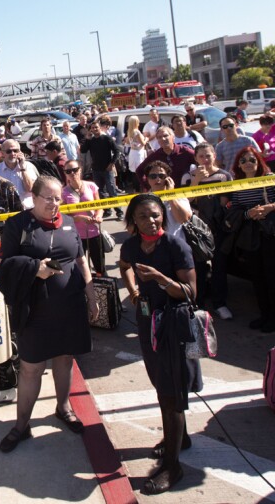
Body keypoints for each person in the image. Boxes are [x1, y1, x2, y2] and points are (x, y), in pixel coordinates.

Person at [0, 176, 98, 453]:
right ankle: (21, 425)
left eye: (58, 198)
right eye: (48, 198)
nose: (54, 203)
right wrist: (34, 268)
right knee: (31, 368)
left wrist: (91, 294)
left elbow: (79, 258)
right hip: (35, 310)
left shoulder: (66, 222)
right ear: (34, 197)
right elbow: (4, 266)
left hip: (70, 306)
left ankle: (63, 408)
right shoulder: (18, 224)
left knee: (65, 360)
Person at [119, 193, 200, 495]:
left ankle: (172, 466)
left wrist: (160, 279)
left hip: (173, 325)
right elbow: (124, 263)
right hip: (147, 322)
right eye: (143, 216)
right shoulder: (132, 245)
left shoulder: (174, 245)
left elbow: (190, 292)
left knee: (170, 391)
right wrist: (133, 291)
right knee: (160, 384)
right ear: (134, 221)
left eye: (155, 215)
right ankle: (182, 438)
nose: (151, 220)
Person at [182, 143, 233, 318]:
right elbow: (186, 201)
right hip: (196, 230)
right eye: (201, 156)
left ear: (214, 156)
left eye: (208, 155)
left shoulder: (224, 176)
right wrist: (196, 181)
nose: (205, 159)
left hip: (217, 228)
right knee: (198, 267)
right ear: (195, 159)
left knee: (219, 266)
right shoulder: (187, 177)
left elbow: (226, 202)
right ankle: (199, 303)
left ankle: (220, 303)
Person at [228, 147, 275, 332]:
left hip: (270, 235)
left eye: (252, 159)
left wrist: (269, 207)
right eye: (243, 160)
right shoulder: (238, 184)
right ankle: (264, 314)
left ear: (258, 161)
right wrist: (249, 213)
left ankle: (273, 317)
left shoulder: (269, 178)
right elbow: (236, 209)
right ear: (238, 165)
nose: (248, 163)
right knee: (257, 276)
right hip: (251, 236)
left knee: (272, 276)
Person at [60, 161, 105, 275]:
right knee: (80, 267)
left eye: (74, 170)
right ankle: (84, 290)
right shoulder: (63, 192)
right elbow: (62, 216)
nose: (72, 173)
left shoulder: (91, 186)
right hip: (76, 235)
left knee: (100, 266)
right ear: (65, 174)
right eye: (68, 171)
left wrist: (99, 215)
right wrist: (78, 218)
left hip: (94, 231)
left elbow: (99, 206)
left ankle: (103, 288)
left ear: (80, 170)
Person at [80, 120, 123, 220]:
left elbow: (117, 151)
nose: (95, 129)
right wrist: (87, 139)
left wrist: (112, 163)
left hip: (107, 169)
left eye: (96, 127)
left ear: (100, 128)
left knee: (112, 190)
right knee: (101, 192)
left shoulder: (107, 138)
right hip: (96, 170)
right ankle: (107, 210)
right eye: (93, 128)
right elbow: (83, 150)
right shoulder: (90, 140)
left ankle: (119, 211)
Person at [143, 161, 192, 238]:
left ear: (168, 178)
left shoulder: (179, 196)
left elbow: (184, 219)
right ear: (147, 179)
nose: (157, 179)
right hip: (152, 246)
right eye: (153, 176)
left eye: (161, 176)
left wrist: (171, 195)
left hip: (176, 244)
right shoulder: (143, 200)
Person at [0, 139, 39, 209]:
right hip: (7, 211)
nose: (12, 154)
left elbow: (31, 189)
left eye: (15, 151)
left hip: (27, 209)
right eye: (9, 151)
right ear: (3, 153)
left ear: (20, 152)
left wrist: (22, 168)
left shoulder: (28, 166)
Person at [123, 115, 148, 192]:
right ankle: (141, 188)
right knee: (139, 172)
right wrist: (147, 138)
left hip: (133, 152)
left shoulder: (129, 131)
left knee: (134, 172)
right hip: (138, 153)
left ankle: (135, 189)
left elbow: (127, 142)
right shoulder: (136, 131)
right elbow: (143, 143)